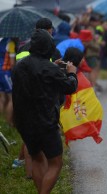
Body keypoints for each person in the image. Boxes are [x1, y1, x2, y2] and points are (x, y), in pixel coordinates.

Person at [11, 29, 78, 194]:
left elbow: (35, 75)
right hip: (45, 121)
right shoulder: (49, 69)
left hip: (23, 120)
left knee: (36, 158)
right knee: (56, 162)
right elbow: (70, 87)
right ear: (48, 46)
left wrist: (52, 67)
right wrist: (72, 74)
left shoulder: (20, 66)